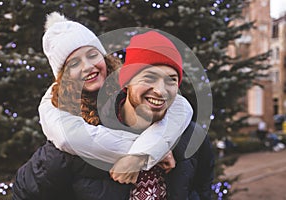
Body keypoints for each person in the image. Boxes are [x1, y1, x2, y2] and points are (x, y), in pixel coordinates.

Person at [12, 12, 195, 200]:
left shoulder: (130, 87)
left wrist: (149, 151)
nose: (88, 66)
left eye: (93, 55)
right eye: (74, 63)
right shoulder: (62, 120)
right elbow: (27, 189)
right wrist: (151, 154)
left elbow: (181, 107)